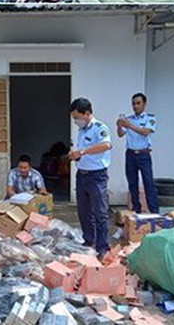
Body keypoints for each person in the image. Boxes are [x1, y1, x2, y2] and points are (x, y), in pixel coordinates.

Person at [69, 98, 112, 260]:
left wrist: (83, 152)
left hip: (97, 176)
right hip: (82, 174)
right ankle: (89, 241)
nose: (76, 121)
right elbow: (81, 151)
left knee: (100, 213)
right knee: (84, 211)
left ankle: (102, 247)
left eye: (77, 118)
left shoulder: (100, 128)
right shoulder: (82, 130)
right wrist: (75, 155)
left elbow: (106, 145)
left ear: (87, 113)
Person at [116, 92, 159, 214]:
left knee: (148, 182)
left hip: (143, 154)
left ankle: (154, 211)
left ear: (144, 104)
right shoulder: (128, 119)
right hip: (130, 155)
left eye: (138, 103)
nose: (135, 106)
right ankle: (136, 209)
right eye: (133, 104)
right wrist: (119, 126)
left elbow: (145, 132)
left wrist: (130, 126)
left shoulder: (150, 118)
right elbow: (120, 134)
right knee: (132, 183)